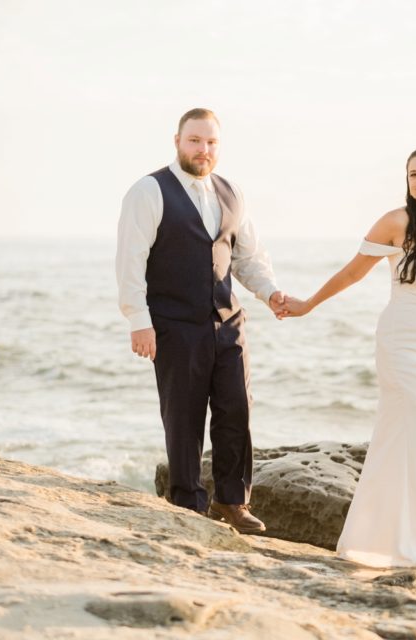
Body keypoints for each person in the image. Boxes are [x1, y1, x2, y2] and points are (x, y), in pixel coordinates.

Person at [279, 147, 416, 572]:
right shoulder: (396, 222)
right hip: (402, 342)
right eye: (414, 174)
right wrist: (309, 304)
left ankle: (383, 541)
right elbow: (354, 271)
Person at [116, 108, 288, 534]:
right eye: (195, 140)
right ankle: (189, 503)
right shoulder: (149, 190)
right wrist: (139, 319)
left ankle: (234, 502)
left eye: (211, 142)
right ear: (177, 140)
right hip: (174, 322)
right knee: (184, 415)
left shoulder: (232, 192)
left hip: (228, 321)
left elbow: (248, 257)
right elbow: (130, 260)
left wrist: (270, 293)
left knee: (236, 409)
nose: (203, 149)